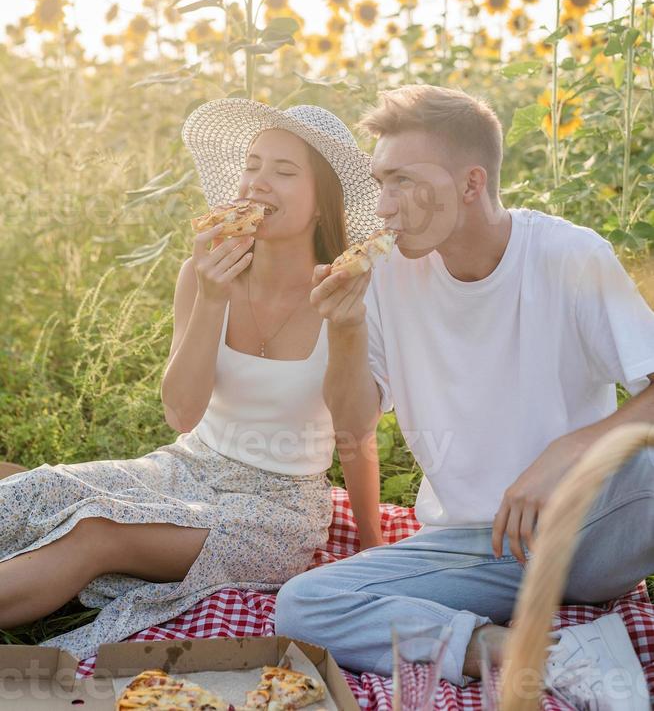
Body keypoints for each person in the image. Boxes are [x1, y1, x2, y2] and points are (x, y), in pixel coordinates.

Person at [275, 84, 654, 709]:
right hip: (482, 551)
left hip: (591, 524)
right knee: (304, 605)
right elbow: (354, 422)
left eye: (402, 182)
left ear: (471, 184)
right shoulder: (386, 275)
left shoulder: (569, 256)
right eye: (378, 183)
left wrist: (567, 453)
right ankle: (544, 652)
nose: (384, 207)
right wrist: (343, 330)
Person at [0, 100, 383, 661]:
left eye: (283, 171)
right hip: (188, 466)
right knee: (45, 486)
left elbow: (357, 433)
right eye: (253, 164)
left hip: (277, 511)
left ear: (324, 202)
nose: (257, 182)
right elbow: (182, 415)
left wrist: (374, 551)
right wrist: (211, 299)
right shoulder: (204, 273)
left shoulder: (346, 295)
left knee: (95, 530)